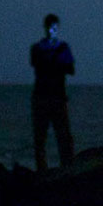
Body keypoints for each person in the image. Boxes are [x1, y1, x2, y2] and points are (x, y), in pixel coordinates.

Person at [30, 13, 75, 171]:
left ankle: (67, 167)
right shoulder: (37, 48)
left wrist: (55, 62)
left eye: (54, 28)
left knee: (63, 136)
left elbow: (70, 69)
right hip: (43, 97)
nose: (52, 30)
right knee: (40, 137)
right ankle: (43, 169)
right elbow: (38, 64)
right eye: (50, 27)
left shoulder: (62, 48)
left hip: (57, 97)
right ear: (45, 28)